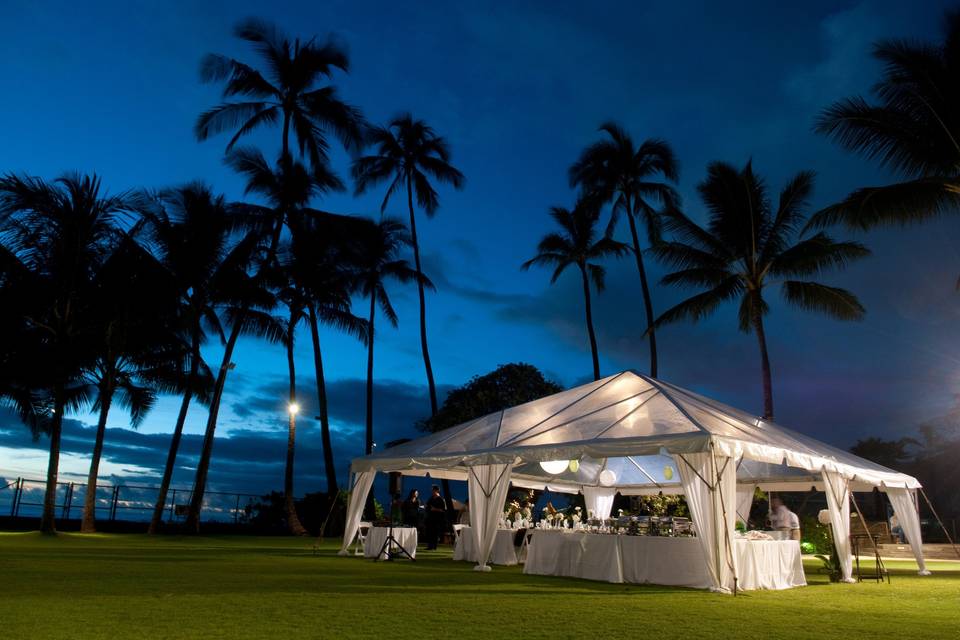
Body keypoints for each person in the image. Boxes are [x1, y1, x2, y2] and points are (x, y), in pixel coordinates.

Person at [425, 485, 446, 550]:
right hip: (430, 518)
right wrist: (426, 506)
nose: (432, 491)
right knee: (430, 532)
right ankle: (429, 546)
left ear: (437, 490)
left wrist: (435, 509)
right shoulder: (431, 498)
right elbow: (427, 506)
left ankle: (434, 546)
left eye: (433, 490)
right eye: (432, 490)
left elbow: (443, 510)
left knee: (435, 533)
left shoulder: (440, 499)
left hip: (437, 519)